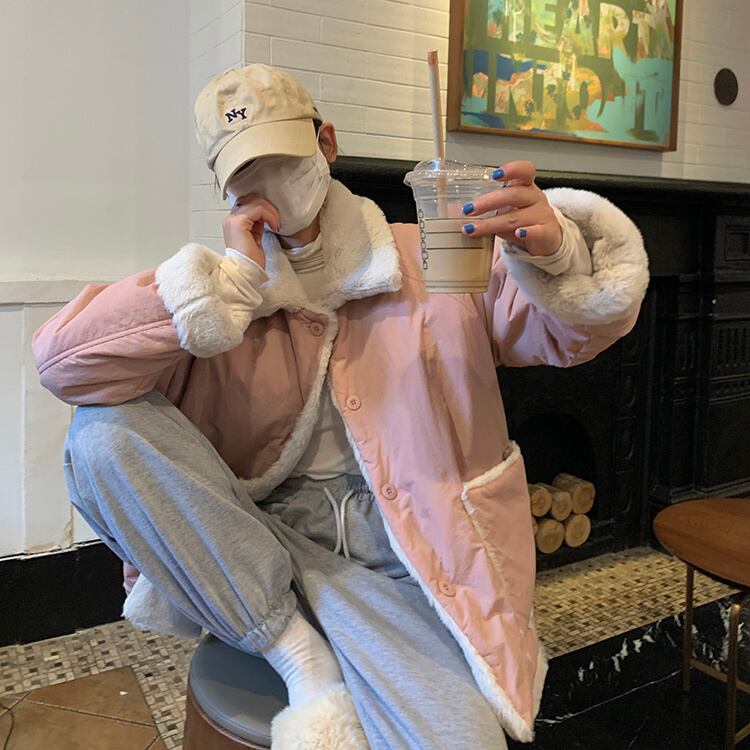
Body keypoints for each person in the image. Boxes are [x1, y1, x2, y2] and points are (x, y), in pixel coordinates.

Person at [31, 63, 649, 750]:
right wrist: (222, 289)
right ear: (224, 189)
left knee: (459, 739)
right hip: (264, 552)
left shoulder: (435, 255)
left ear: (326, 143)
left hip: (416, 557)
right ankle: (302, 658)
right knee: (101, 434)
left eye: (284, 158)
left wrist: (559, 254)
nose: (270, 183)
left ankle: (356, 653)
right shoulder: (220, 297)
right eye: (246, 171)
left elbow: (569, 332)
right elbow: (62, 365)